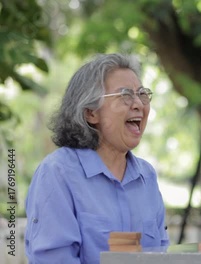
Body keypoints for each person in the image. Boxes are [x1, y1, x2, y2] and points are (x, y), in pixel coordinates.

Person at [24, 54, 170, 263]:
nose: (139, 104)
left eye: (142, 94)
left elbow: (161, 254)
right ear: (91, 113)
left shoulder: (147, 176)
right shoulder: (57, 173)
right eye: (126, 95)